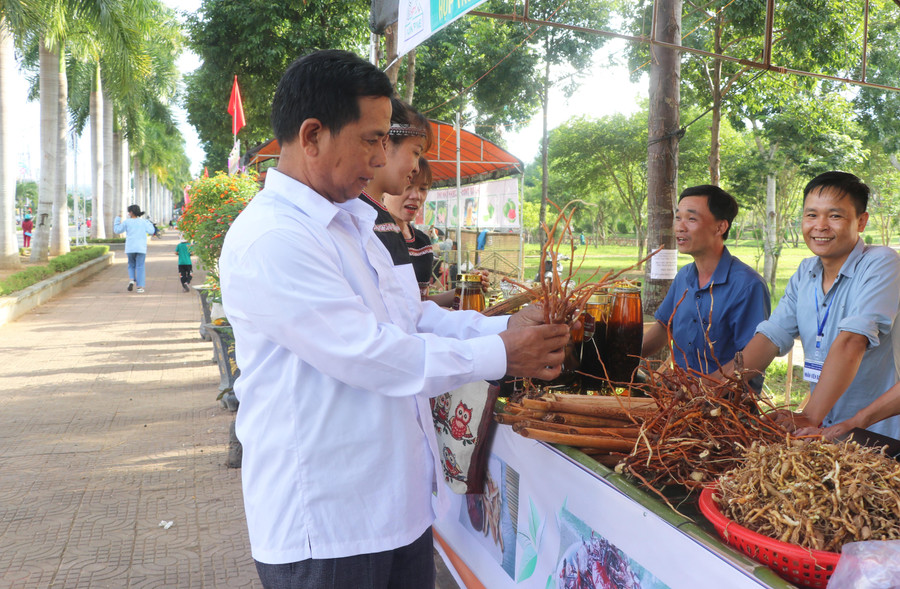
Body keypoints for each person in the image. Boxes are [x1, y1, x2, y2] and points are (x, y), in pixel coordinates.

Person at [218, 49, 569, 589]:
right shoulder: (274, 238)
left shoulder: (353, 224)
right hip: (329, 525)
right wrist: (500, 353)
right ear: (312, 136)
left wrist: (507, 328)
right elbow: (370, 353)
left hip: (396, 508)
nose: (383, 158)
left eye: (386, 140)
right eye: (372, 139)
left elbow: (411, 318)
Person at [718, 171, 900, 439]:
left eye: (835, 216)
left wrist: (810, 414)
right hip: (823, 432)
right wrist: (709, 388)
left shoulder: (882, 263)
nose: (820, 226)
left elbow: (852, 341)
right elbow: (770, 337)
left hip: (878, 435)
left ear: (861, 221)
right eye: (811, 215)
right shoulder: (806, 272)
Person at [641, 185, 771, 388]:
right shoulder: (683, 277)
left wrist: (704, 389)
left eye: (691, 219)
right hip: (678, 398)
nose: (680, 227)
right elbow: (665, 326)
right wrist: (623, 357)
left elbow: (753, 359)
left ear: (720, 227)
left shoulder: (748, 286)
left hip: (727, 403)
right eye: (678, 218)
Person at [113, 205, 156, 294]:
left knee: (131, 265)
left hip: (130, 247)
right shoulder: (144, 222)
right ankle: (140, 287)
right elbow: (151, 231)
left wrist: (117, 219)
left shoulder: (127, 222)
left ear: (131, 212)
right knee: (140, 266)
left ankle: (132, 280)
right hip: (141, 248)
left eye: (129, 212)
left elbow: (117, 230)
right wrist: (149, 222)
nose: (128, 213)